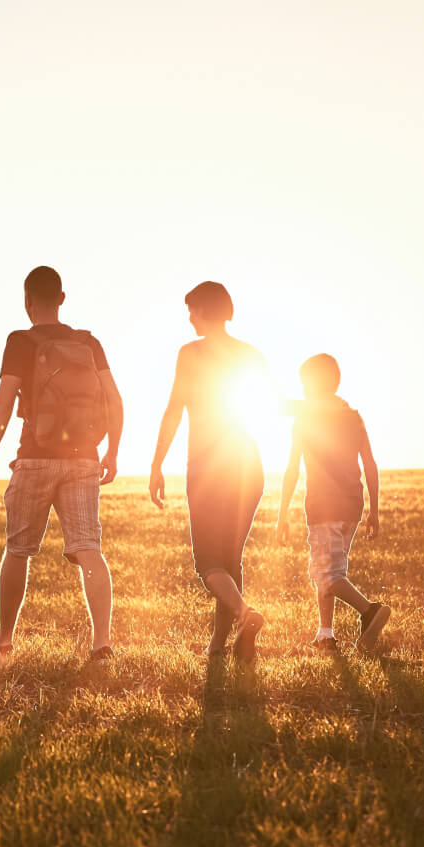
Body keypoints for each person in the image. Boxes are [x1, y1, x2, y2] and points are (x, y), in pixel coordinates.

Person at [0, 266, 124, 663]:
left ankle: (3, 640)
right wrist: (113, 452)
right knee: (89, 547)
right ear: (61, 298)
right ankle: (101, 644)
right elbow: (115, 398)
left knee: (18, 549)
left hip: (35, 457)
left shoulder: (21, 341)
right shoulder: (88, 342)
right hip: (84, 459)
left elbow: (3, 404)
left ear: (27, 302)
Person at [149, 281, 270, 662]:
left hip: (209, 468)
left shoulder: (191, 354)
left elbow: (173, 410)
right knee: (231, 560)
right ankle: (220, 647)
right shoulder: (250, 353)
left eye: (192, 310)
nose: (188, 317)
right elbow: (275, 404)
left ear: (204, 309)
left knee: (208, 564)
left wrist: (156, 464)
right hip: (249, 464)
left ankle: (244, 614)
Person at [275, 353, 389, 653]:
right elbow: (370, 465)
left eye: (303, 383)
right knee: (329, 569)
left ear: (311, 384)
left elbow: (292, 469)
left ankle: (370, 611)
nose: (302, 389)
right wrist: (374, 511)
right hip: (353, 506)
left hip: (323, 508)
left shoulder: (306, 418)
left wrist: (282, 512)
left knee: (327, 574)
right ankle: (326, 634)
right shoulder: (353, 417)